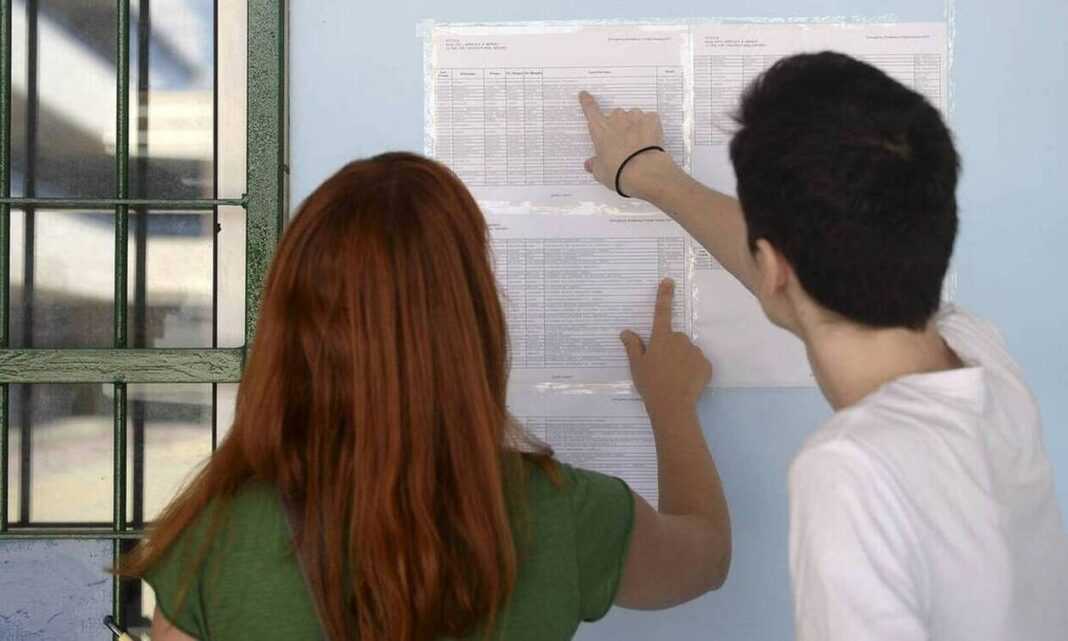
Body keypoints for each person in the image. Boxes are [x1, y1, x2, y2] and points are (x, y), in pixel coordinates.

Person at [118, 152, 731, 641]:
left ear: (289, 327)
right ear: (471, 323)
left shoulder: (214, 536)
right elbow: (706, 558)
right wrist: (671, 406)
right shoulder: (565, 513)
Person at [580, 51, 1068, 640]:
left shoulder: (850, 471)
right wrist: (650, 174)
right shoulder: (982, 358)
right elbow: (810, 265)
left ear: (773, 268)